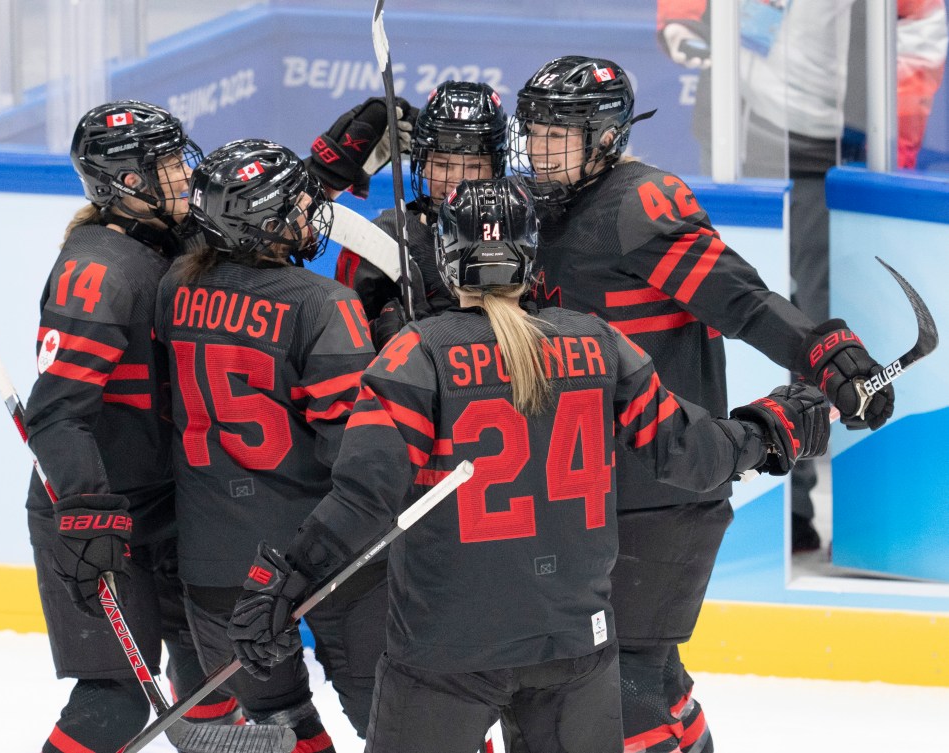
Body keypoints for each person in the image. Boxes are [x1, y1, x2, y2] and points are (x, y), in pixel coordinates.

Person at [223, 176, 829, 753]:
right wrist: (772, 426)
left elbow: (362, 501)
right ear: (531, 254)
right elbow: (695, 457)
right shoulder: (598, 342)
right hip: (574, 648)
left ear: (447, 255)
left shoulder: (416, 353)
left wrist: (285, 584)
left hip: (445, 653)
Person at [508, 56, 895, 753]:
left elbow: (743, 302)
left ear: (604, 137)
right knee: (620, 675)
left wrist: (829, 355)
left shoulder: (638, 206)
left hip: (664, 488)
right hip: (588, 490)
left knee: (631, 685)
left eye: (556, 134)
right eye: (532, 132)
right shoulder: (542, 209)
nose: (539, 149)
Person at [656, 0, 947, 550]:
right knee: (734, 312)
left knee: (814, 326)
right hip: (740, 139)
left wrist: (886, 140)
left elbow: (922, 34)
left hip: (833, 149)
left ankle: (806, 501)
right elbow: (686, 13)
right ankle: (776, 501)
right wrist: (686, 25)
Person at [22, 100, 242, 753]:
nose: (183, 175)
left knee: (215, 680)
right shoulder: (99, 270)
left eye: (179, 158)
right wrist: (87, 509)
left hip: (172, 509)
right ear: (127, 185)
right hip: (99, 517)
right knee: (114, 704)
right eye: (167, 165)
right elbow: (58, 410)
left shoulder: (172, 241)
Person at [154, 138, 379, 748]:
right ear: (264, 224)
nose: (309, 216)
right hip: (325, 555)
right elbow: (356, 453)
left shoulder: (175, 287)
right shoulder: (326, 304)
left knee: (283, 724)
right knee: (401, 723)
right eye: (298, 207)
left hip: (217, 565)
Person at [330, 81, 508, 344]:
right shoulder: (379, 239)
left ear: (495, 169)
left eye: (473, 166)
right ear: (422, 165)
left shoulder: (522, 233)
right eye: (441, 164)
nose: (456, 180)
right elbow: (343, 349)